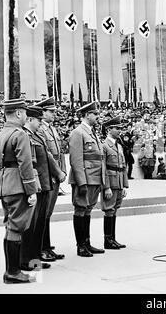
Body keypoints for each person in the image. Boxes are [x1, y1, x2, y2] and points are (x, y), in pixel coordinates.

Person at [0, 99, 38, 284]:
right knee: (17, 227)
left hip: (5, 184)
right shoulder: (20, 135)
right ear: (19, 113)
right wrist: (31, 191)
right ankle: (13, 272)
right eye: (25, 112)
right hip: (19, 185)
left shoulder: (2, 134)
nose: (27, 116)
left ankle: (11, 270)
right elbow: (26, 165)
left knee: (10, 226)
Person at [20, 106, 66, 271]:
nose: (41, 123)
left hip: (45, 184)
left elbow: (48, 156)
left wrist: (58, 173)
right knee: (31, 226)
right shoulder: (24, 135)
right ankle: (27, 260)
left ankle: (35, 258)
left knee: (39, 224)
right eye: (38, 120)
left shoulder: (36, 135)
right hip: (36, 186)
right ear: (30, 119)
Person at [68, 102, 105, 257]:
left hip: (94, 178)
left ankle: (87, 243)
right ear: (87, 115)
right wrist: (81, 181)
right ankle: (80, 245)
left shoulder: (91, 132)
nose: (97, 117)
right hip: (85, 178)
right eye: (95, 114)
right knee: (80, 209)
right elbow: (76, 159)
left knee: (88, 209)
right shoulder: (78, 132)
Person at [35, 97, 66, 262]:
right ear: (43, 112)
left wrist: (63, 171)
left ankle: (46, 246)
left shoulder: (52, 129)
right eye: (51, 111)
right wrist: (58, 172)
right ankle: (42, 248)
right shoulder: (40, 129)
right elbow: (46, 155)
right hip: (48, 174)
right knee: (44, 213)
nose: (54, 114)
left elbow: (59, 153)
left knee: (48, 213)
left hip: (55, 174)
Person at [101, 117, 129, 249]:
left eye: (120, 128)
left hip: (118, 182)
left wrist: (124, 185)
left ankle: (113, 238)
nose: (119, 131)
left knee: (115, 210)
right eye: (116, 128)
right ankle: (108, 240)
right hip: (110, 183)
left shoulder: (118, 145)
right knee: (109, 210)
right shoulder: (104, 146)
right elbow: (103, 167)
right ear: (109, 129)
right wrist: (106, 187)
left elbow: (123, 166)